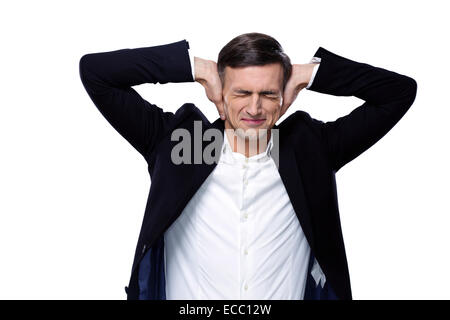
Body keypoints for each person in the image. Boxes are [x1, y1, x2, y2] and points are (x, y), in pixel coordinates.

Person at [79, 32, 417, 300]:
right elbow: (96, 73)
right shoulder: (179, 144)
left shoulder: (309, 150)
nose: (254, 107)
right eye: (241, 92)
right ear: (220, 94)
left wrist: (310, 73)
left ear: (283, 97)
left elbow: (398, 93)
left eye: (268, 94)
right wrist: (195, 68)